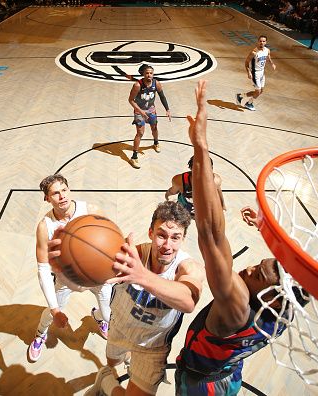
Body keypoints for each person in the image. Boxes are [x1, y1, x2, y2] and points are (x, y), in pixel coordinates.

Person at [175, 80, 307, 395]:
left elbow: (210, 233)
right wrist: (262, 225)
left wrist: (201, 147)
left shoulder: (236, 306)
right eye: (257, 265)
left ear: (273, 295)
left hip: (202, 385)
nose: (247, 269)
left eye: (258, 274)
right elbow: (298, 267)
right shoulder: (285, 307)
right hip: (231, 371)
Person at [83, 200, 204, 396]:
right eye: (161, 235)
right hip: (120, 328)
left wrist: (142, 276)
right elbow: (94, 267)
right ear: (150, 233)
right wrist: (68, 264)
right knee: (113, 363)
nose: (167, 245)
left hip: (152, 346)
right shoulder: (136, 254)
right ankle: (107, 374)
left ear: (183, 239)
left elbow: (188, 301)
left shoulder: (188, 267)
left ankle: (105, 381)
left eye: (175, 237)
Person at [28, 174, 113, 362]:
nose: (62, 196)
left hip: (96, 276)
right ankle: (40, 334)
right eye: (55, 193)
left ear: (70, 189)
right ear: (47, 198)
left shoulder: (91, 210)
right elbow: (43, 269)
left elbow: (112, 242)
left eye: (64, 190)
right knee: (51, 313)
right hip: (66, 279)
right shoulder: (45, 226)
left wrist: (113, 271)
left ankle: (97, 316)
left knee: (108, 315)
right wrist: (55, 310)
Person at [127, 64, 171, 169]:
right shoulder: (137, 85)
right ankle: (134, 156)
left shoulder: (157, 83)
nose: (149, 75)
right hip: (139, 111)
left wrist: (167, 109)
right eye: (147, 73)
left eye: (151, 73)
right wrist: (141, 111)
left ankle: (156, 143)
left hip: (151, 110)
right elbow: (130, 100)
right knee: (140, 133)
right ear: (143, 74)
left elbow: (162, 97)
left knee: (154, 128)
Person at [235, 35, 276, 111]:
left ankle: (240, 96)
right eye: (260, 41)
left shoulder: (267, 50)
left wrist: (272, 64)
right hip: (255, 73)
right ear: (258, 42)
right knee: (258, 91)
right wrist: (249, 72)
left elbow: (269, 58)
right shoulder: (254, 52)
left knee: (261, 91)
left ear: (266, 42)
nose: (262, 43)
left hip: (262, 73)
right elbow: (246, 62)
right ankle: (249, 103)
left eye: (263, 41)